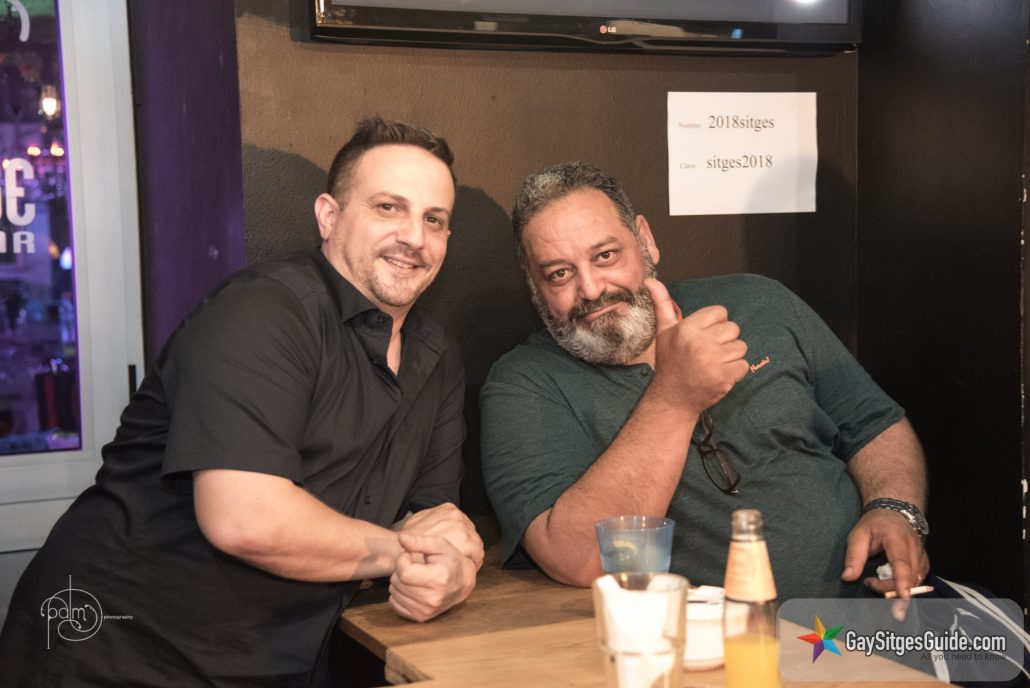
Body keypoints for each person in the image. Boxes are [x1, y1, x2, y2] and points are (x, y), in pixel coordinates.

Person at [0, 117, 484, 687]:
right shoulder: (263, 312)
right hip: (120, 649)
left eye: (434, 219)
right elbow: (246, 518)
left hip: (276, 660)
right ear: (329, 216)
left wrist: (453, 564)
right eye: (388, 207)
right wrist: (406, 552)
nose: (415, 237)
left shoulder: (436, 355)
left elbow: (436, 518)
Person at [480, 161, 929, 602]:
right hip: (718, 637)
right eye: (559, 273)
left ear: (645, 239)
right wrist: (673, 398)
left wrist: (895, 509)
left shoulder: (760, 302)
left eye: (606, 256)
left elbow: (874, 424)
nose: (592, 289)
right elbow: (577, 558)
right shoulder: (523, 385)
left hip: (879, 607)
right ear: (534, 287)